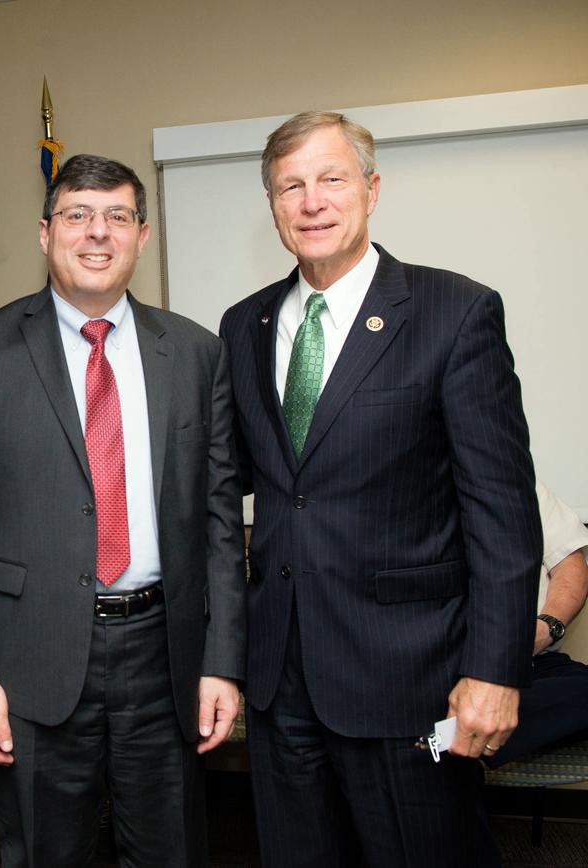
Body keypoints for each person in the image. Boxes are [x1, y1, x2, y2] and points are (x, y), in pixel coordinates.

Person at [219, 110, 541, 866]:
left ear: (371, 189)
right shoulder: (244, 325)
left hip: (410, 682)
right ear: (272, 205)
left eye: (331, 179)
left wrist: (494, 672)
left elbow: (501, 514)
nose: (312, 202)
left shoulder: (454, 312)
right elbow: (232, 479)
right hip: (280, 683)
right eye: (290, 186)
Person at [0, 154, 245, 867]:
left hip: (164, 654)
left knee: (171, 850)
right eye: (77, 214)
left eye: (116, 216)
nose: (97, 232)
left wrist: (223, 662)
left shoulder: (197, 352)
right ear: (45, 233)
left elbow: (219, 524)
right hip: (32, 656)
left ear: (142, 235)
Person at [487, 479, 588, 765]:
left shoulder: (519, 483)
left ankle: (456, 733)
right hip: (445, 671)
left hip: (533, 662)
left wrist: (545, 629)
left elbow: (569, 563)